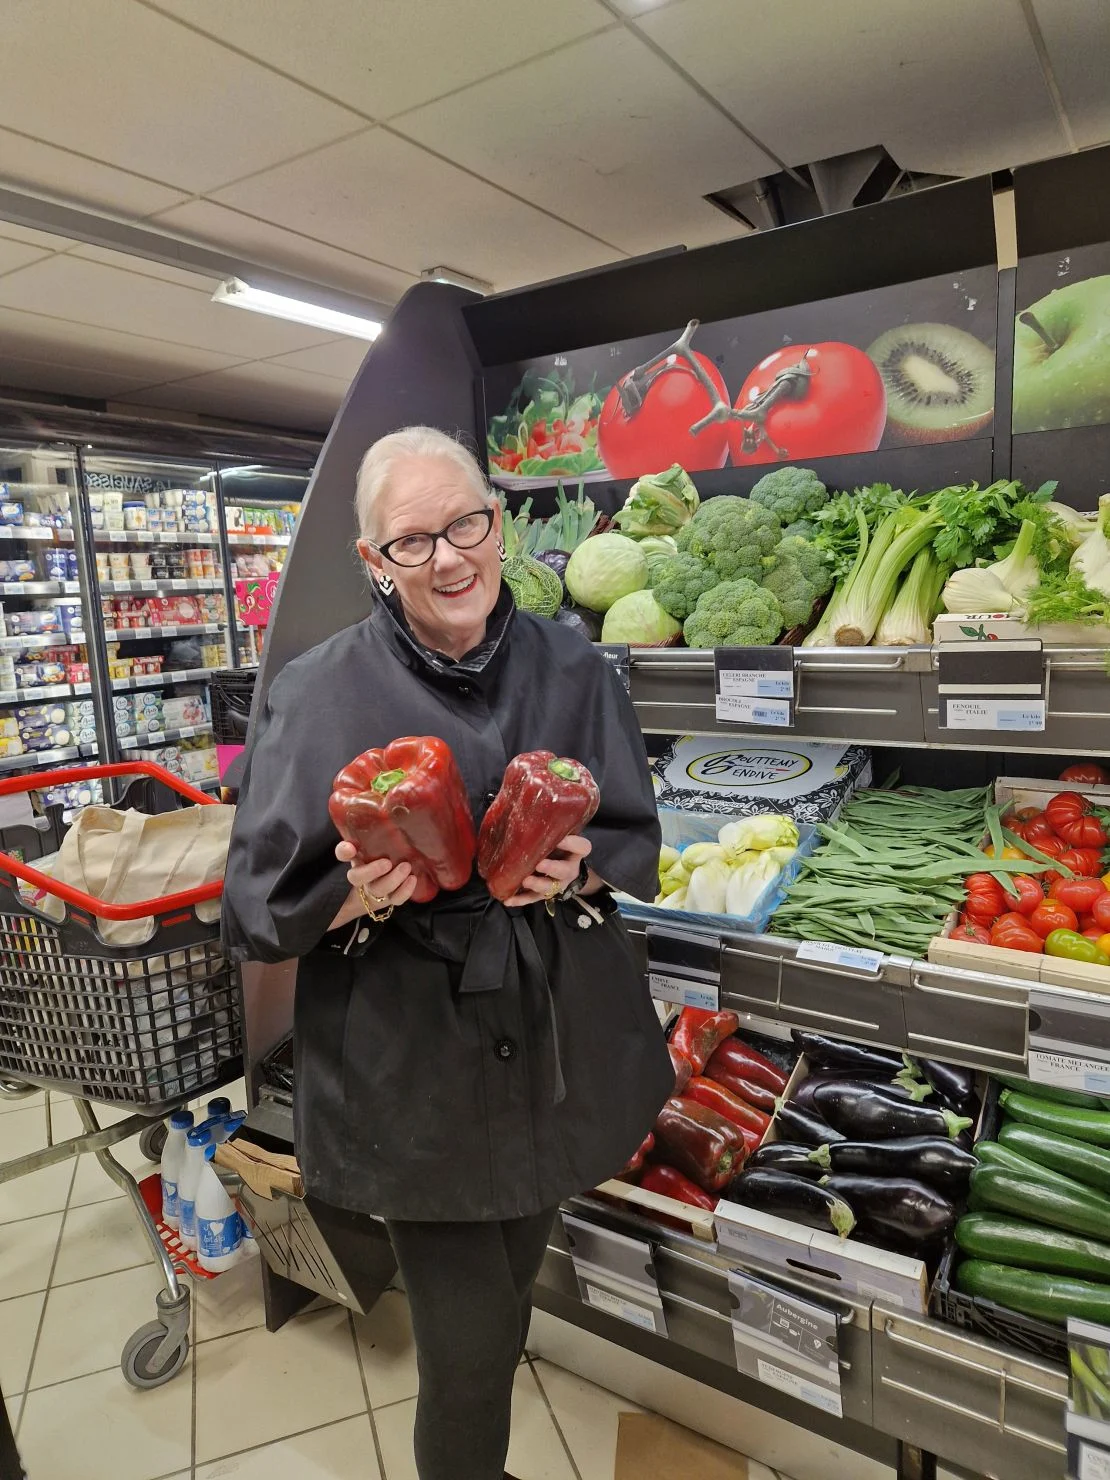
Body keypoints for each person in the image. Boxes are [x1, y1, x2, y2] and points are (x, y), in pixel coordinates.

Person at [222, 425, 673, 1480]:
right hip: (416, 1065)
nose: (450, 557)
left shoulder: (575, 663)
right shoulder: (319, 691)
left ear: (500, 523)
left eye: (466, 523)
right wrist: (351, 895)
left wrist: (581, 868)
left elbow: (632, 832)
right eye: (413, 540)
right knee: (471, 1355)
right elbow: (256, 905)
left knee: (510, 1299)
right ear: (374, 561)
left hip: (555, 1037)